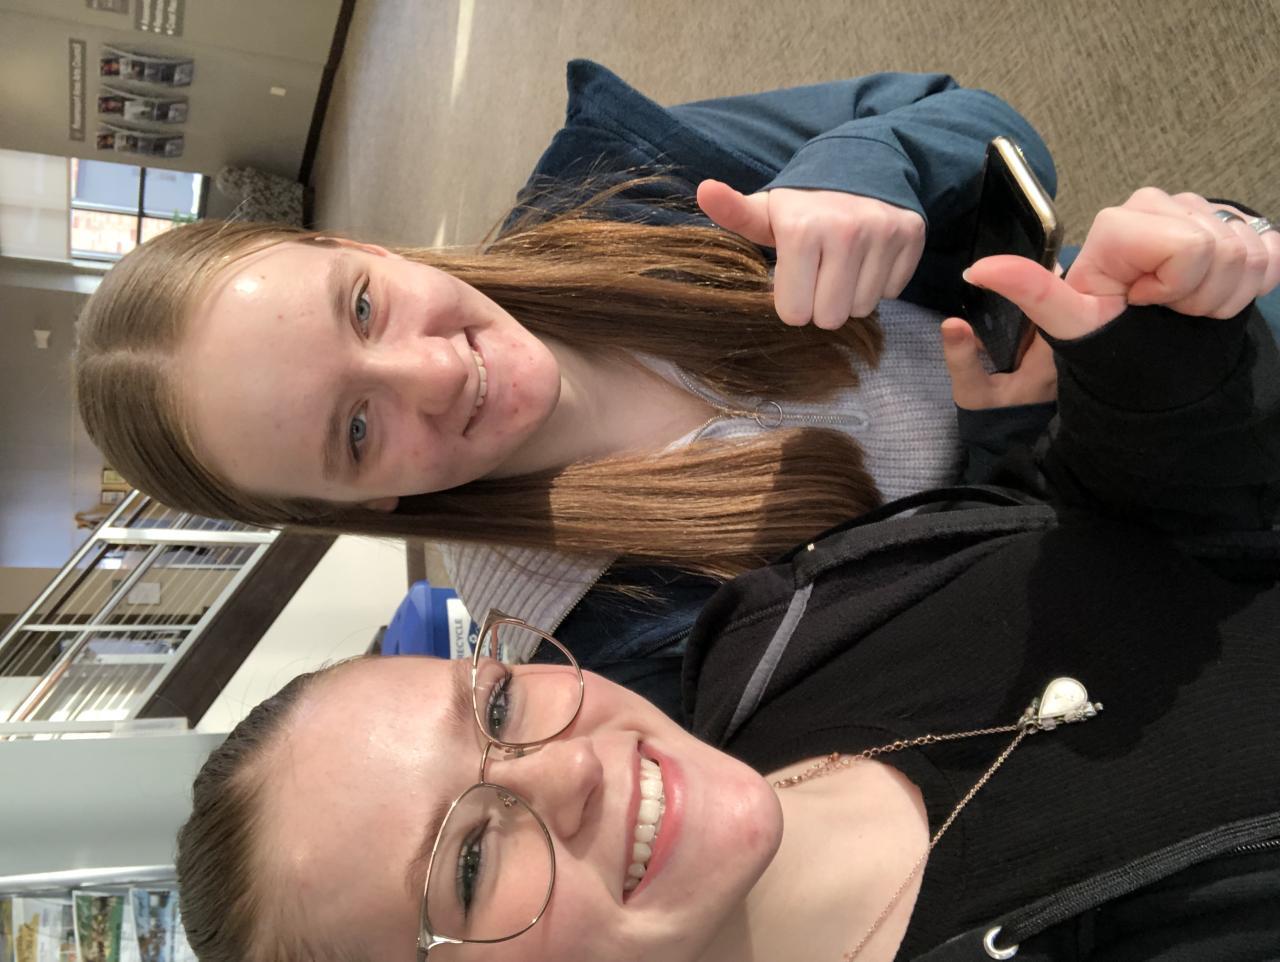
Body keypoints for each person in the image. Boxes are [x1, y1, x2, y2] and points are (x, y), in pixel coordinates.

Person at [173, 189, 1280, 962]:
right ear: (352, 505)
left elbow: (1094, 547)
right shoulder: (633, 624)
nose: (564, 768)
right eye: (468, 865)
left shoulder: (766, 640)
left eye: (498, 706)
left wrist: (1145, 372)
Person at [74, 62, 1058, 695]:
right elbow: (969, 682)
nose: (435, 370)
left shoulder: (623, 180)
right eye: (357, 430)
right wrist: (1007, 441)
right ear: (359, 503)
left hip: (1109, 322)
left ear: (365, 247)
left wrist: (864, 168)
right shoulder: (585, 653)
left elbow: (974, 125)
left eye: (364, 307)